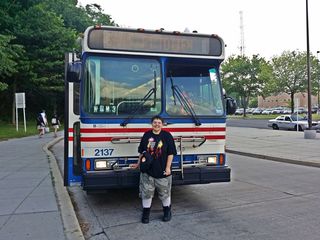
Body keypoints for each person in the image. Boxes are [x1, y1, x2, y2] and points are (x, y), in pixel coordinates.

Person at [132, 115, 177, 224]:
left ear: (162, 124)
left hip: (162, 171)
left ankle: (167, 212)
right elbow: (142, 152)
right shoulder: (146, 135)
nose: (157, 124)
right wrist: (138, 164)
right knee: (146, 193)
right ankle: (146, 214)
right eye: (155, 122)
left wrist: (168, 168)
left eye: (159, 122)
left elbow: (171, 153)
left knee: (165, 193)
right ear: (151, 123)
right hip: (147, 172)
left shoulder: (167, 136)